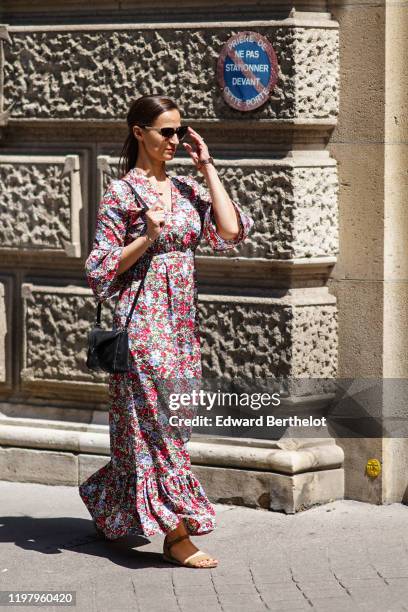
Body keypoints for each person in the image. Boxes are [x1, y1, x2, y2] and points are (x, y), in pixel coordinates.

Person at [79, 94, 254, 569]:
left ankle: (106, 501)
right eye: (166, 132)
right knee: (160, 431)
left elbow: (232, 231)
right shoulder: (123, 193)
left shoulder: (182, 190)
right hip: (141, 329)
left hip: (180, 329)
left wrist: (208, 167)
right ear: (139, 133)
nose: (176, 140)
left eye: (180, 131)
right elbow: (98, 271)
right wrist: (147, 237)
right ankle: (177, 536)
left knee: (159, 426)